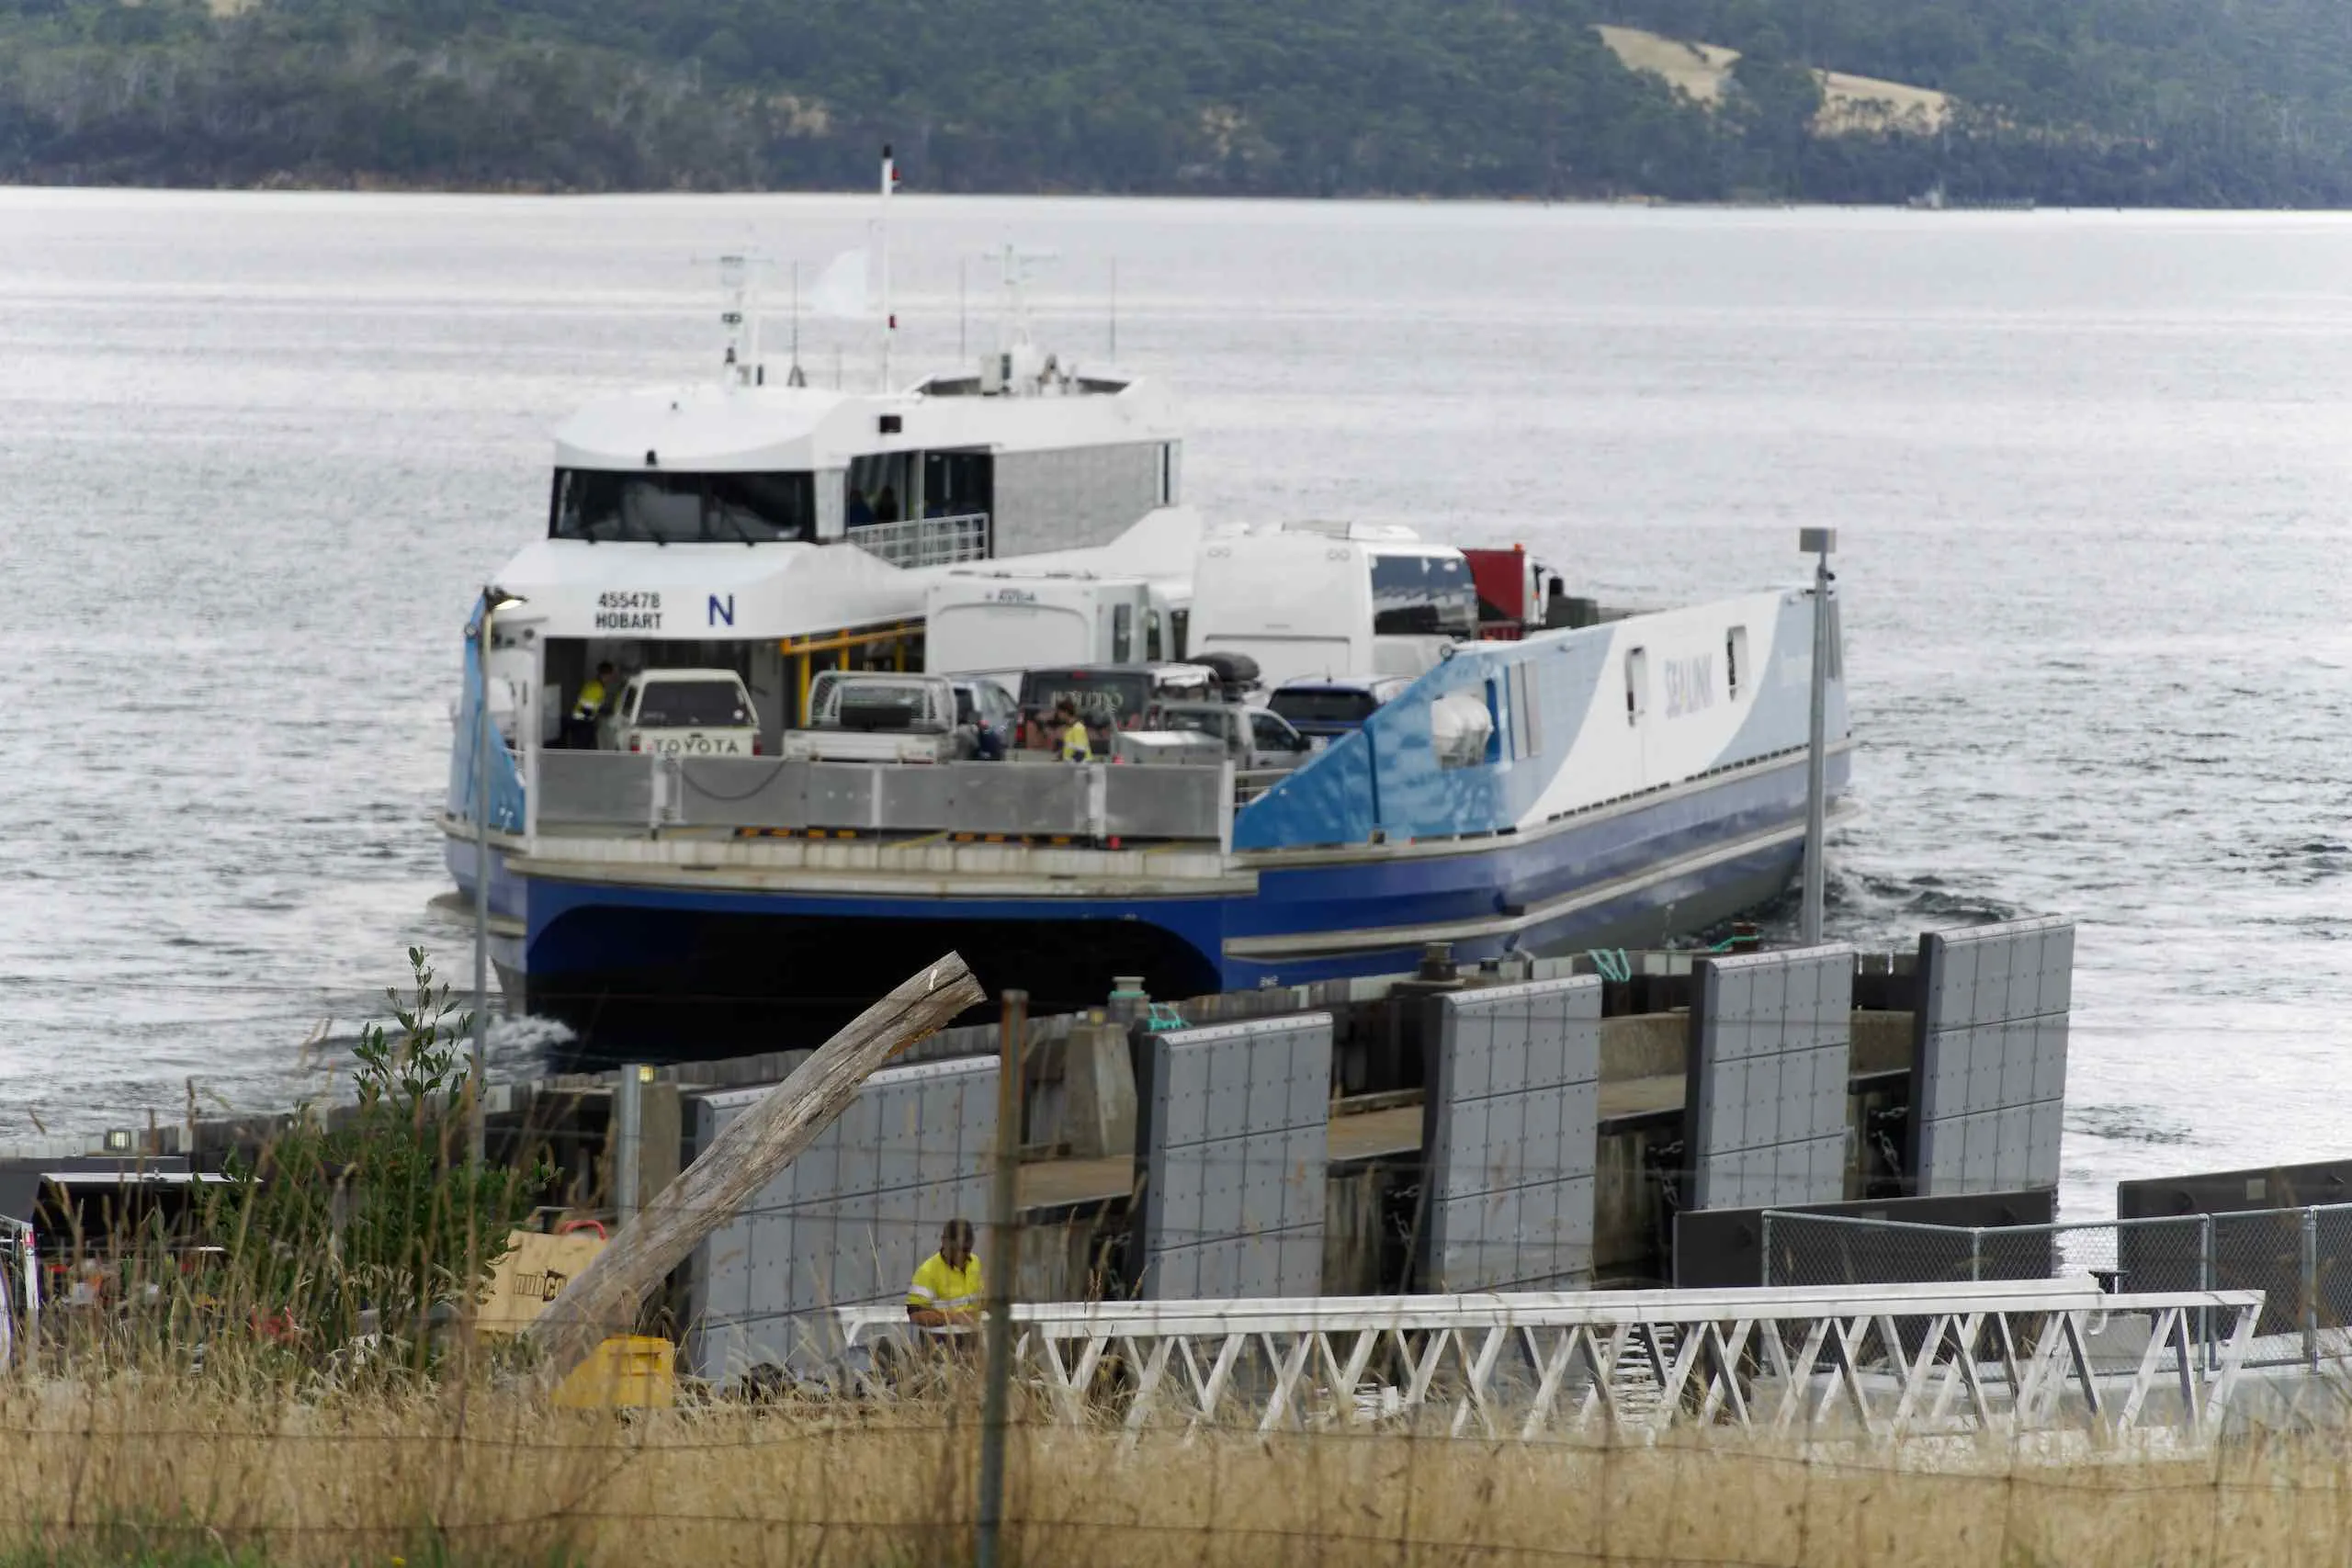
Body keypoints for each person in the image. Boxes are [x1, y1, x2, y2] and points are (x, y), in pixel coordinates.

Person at [906, 1218, 983, 1351]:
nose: (960, 1255)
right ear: (944, 1242)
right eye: (956, 1249)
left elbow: (983, 1300)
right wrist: (951, 1318)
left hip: (972, 1343)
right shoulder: (927, 1272)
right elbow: (915, 1314)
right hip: (939, 1346)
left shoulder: (975, 1263)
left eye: (965, 1250)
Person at [566, 661, 616, 750]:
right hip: (581, 723)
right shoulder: (596, 688)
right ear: (606, 675)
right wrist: (602, 713)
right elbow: (587, 709)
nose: (611, 678)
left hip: (580, 721)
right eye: (611, 675)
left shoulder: (594, 685)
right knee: (582, 750)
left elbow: (593, 705)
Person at [1046, 698, 1092, 762]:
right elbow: (1070, 748)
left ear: (1066, 712)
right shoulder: (1069, 728)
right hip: (1074, 768)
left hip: (1081, 768)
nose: (1058, 715)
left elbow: (1080, 753)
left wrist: (1068, 765)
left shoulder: (1078, 728)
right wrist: (1061, 757)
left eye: (1059, 712)